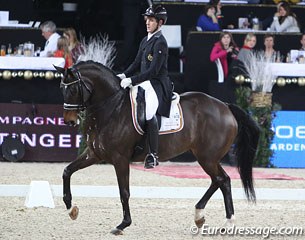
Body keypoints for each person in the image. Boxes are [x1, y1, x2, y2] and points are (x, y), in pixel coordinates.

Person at [117, 5, 172, 169]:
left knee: (149, 112)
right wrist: (124, 75)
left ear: (160, 23)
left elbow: (153, 71)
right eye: (147, 19)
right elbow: (136, 63)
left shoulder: (160, 42)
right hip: (144, 82)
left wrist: (132, 80)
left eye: (152, 20)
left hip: (157, 84)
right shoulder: (145, 39)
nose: (147, 22)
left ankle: (153, 154)